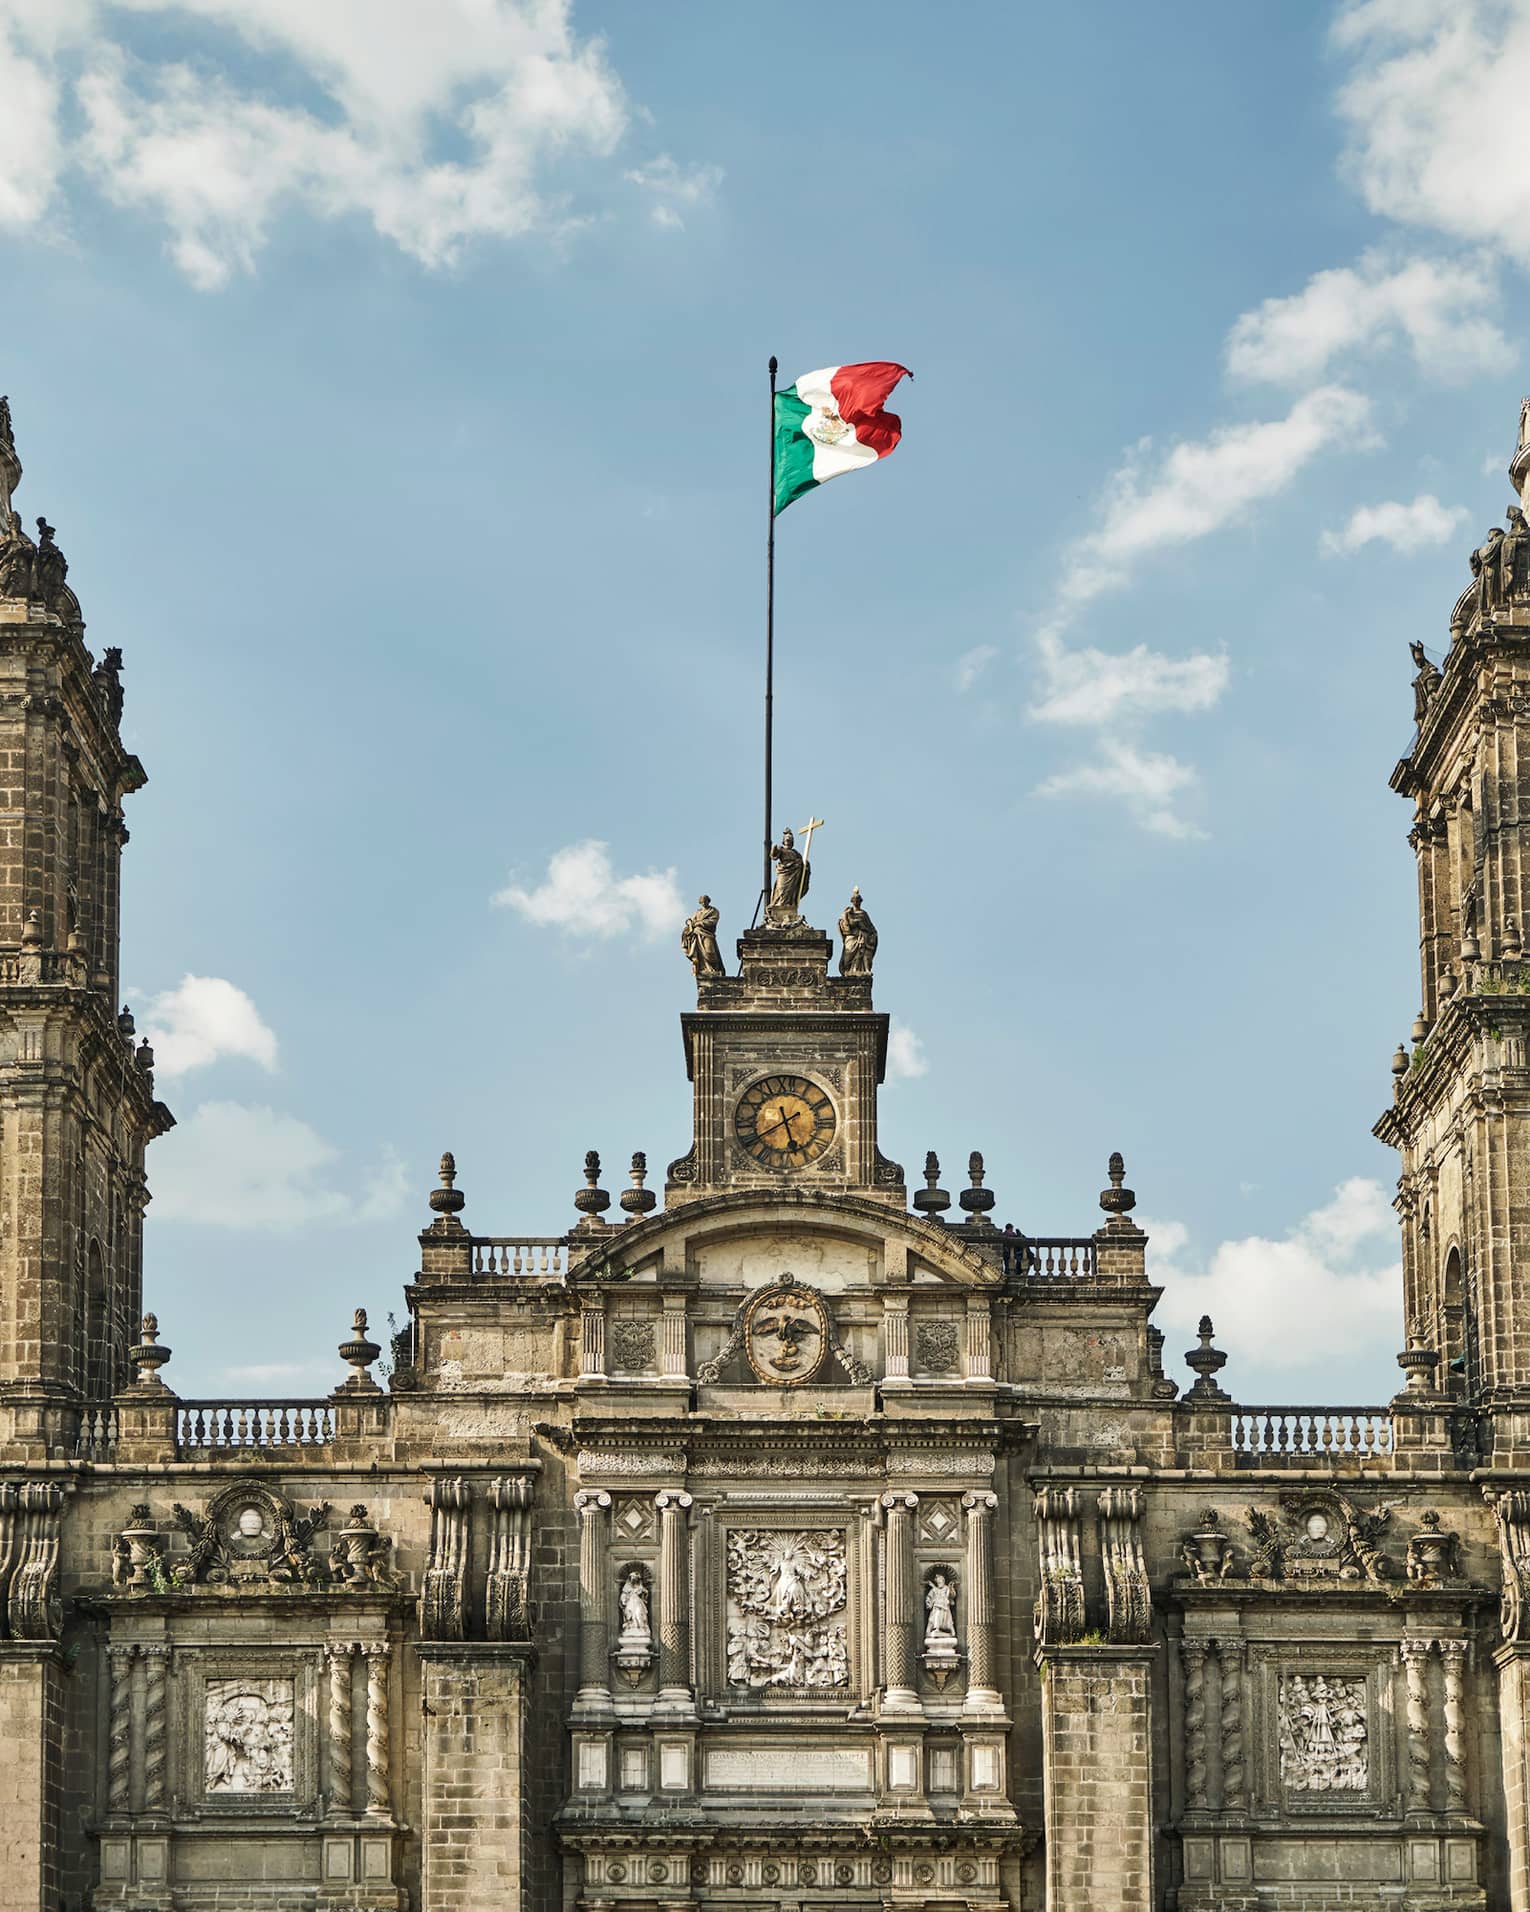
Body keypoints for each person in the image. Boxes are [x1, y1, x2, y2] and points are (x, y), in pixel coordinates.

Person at [767, 829, 808, 925]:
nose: (789, 841)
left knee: (791, 892)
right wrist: (774, 849)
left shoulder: (795, 853)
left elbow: (802, 863)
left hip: (794, 875)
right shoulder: (781, 849)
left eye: (790, 840)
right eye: (787, 840)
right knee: (781, 889)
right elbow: (774, 856)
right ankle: (779, 906)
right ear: (784, 841)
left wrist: (804, 866)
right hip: (784, 873)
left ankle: (788, 907)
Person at [680, 895, 724, 977]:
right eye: (702, 902)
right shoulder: (698, 912)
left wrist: (700, 923)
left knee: (710, 952)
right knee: (700, 953)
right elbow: (691, 920)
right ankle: (705, 969)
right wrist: (689, 922)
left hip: (707, 934)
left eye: (705, 902)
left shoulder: (713, 911)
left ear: (708, 901)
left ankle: (714, 969)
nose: (704, 903)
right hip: (697, 933)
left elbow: (713, 921)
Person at [838, 887, 878, 976]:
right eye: (855, 900)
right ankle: (848, 969)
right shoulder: (848, 913)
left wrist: (871, 935)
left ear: (860, 902)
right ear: (852, 901)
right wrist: (845, 916)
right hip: (851, 937)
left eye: (858, 901)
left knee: (862, 954)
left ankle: (857, 969)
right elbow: (844, 927)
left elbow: (870, 927)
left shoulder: (863, 914)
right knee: (848, 955)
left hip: (862, 936)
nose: (856, 902)